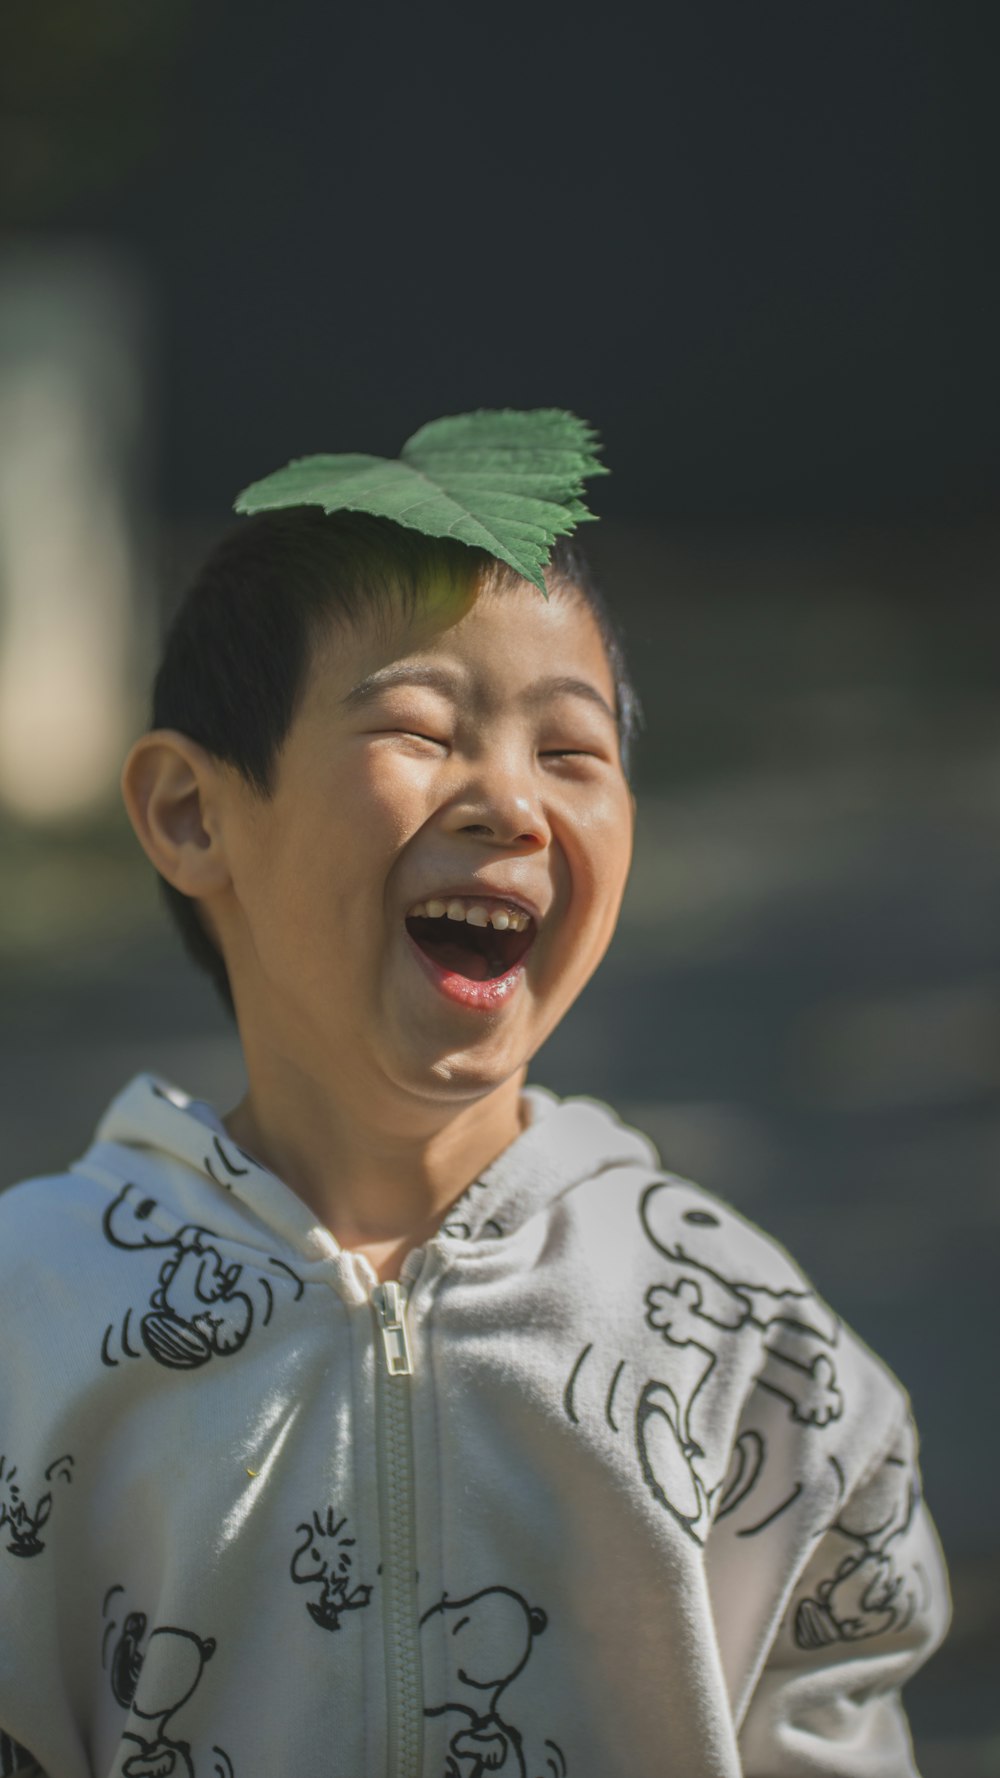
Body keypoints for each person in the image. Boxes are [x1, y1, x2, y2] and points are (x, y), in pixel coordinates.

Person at [0, 498, 949, 1778]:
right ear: (190, 812)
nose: (510, 800)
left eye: (572, 751)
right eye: (419, 729)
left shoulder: (747, 1339)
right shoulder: (31, 1318)